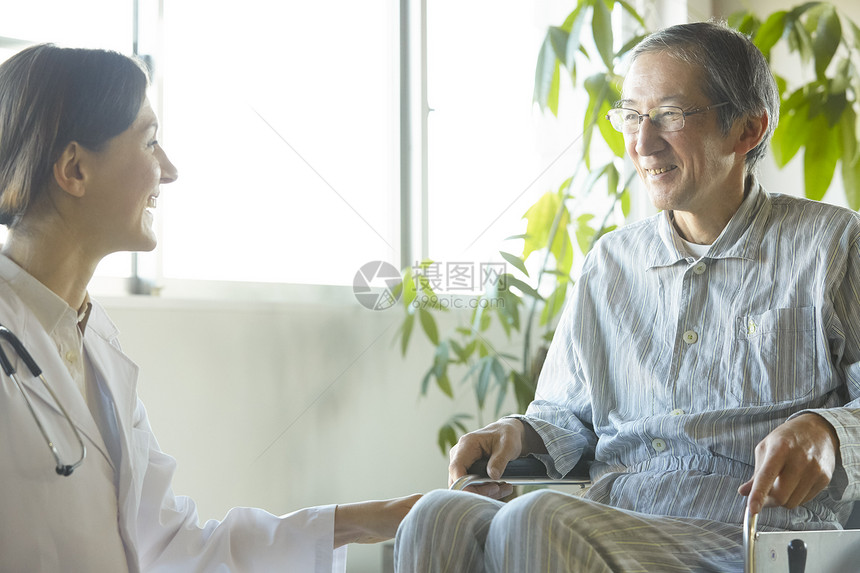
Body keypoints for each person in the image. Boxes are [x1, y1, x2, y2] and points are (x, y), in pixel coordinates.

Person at [394, 20, 860, 573]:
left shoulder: (834, 245)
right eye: (632, 116)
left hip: (751, 539)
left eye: (669, 114)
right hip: (619, 522)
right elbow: (567, 416)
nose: (641, 142)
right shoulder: (609, 264)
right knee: (434, 516)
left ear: (747, 130)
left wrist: (830, 431)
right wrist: (518, 433)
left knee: (534, 518)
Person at [0, 43, 419, 572]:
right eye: (150, 143)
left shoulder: (95, 345)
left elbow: (174, 547)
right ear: (75, 169)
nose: (169, 170)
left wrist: (380, 517)